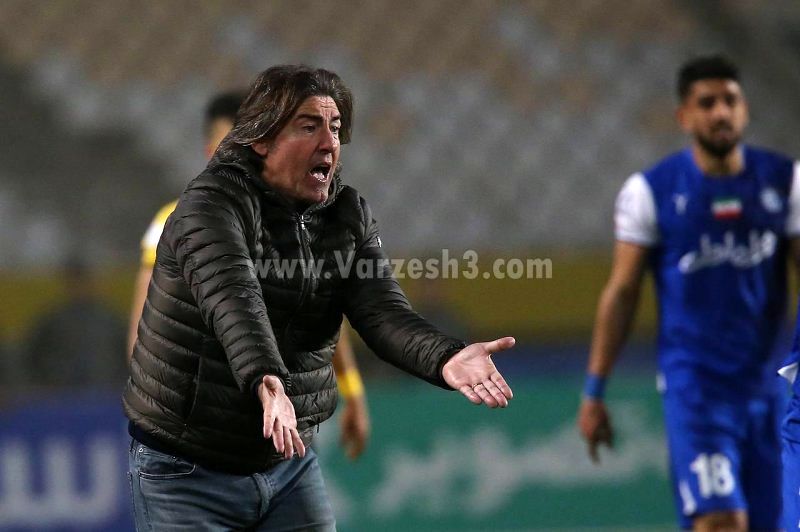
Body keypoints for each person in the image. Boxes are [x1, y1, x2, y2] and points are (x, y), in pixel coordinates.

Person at [123, 65, 515, 531]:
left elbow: (382, 312)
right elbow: (234, 300)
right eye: (308, 127)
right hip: (186, 466)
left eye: (334, 127)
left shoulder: (346, 215)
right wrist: (267, 381)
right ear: (262, 140)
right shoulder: (208, 207)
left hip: (287, 462)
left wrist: (444, 356)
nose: (329, 142)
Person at [576, 55, 800, 532]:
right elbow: (622, 293)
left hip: (770, 390)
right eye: (707, 103)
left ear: (745, 109)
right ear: (684, 115)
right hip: (697, 392)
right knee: (721, 520)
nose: (721, 113)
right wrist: (594, 391)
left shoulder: (786, 182)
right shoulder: (650, 192)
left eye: (730, 101)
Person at [127, 90, 370, 460]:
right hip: (205, 433)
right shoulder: (174, 223)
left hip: (285, 423)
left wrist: (353, 392)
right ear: (211, 152)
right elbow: (143, 334)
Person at [25, 257, 127, 389]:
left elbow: (127, 354)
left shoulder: (110, 320)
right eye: (74, 282)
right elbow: (32, 356)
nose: (79, 287)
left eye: (82, 281)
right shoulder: (53, 320)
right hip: (61, 393)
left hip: (105, 391)